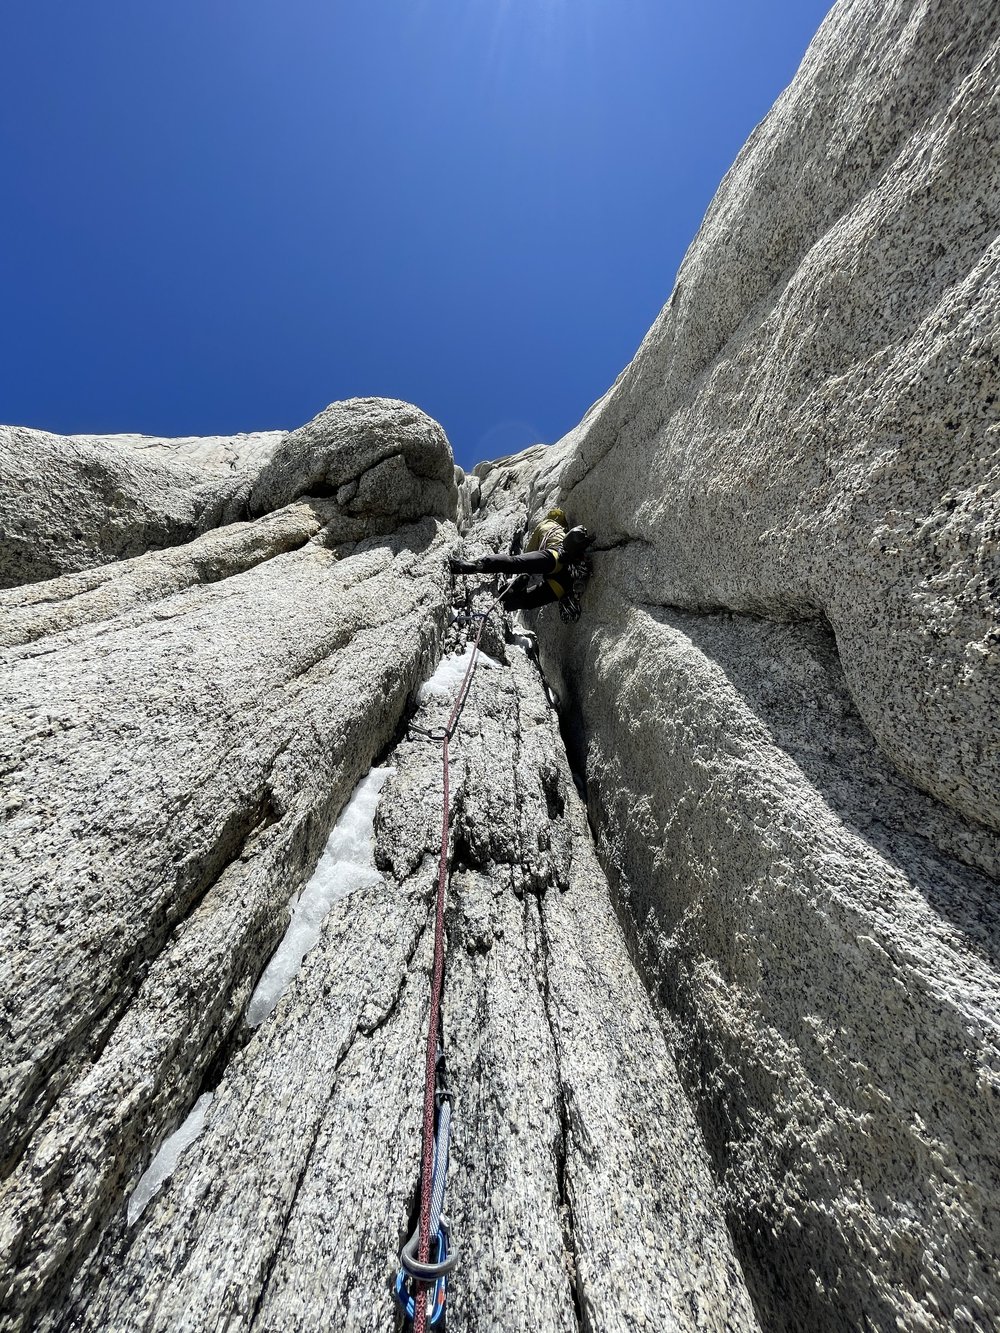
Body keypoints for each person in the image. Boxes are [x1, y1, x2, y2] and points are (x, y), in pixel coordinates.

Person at [450, 507, 594, 621]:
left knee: (514, 563)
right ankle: (507, 601)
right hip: (565, 580)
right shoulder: (563, 531)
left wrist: (527, 571)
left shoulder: (545, 524)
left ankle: (474, 566)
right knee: (527, 602)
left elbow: (529, 552)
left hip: (555, 557)